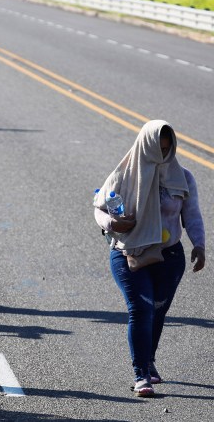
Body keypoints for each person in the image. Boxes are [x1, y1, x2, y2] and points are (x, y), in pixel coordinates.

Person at [93, 120, 205, 398]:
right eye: (157, 150)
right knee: (140, 310)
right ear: (145, 147)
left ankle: (149, 359)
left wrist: (200, 245)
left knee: (157, 310)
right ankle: (141, 374)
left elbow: (191, 215)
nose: (162, 156)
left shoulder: (183, 177)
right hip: (129, 252)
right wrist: (111, 223)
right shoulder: (123, 176)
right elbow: (98, 208)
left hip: (169, 256)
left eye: (167, 151)